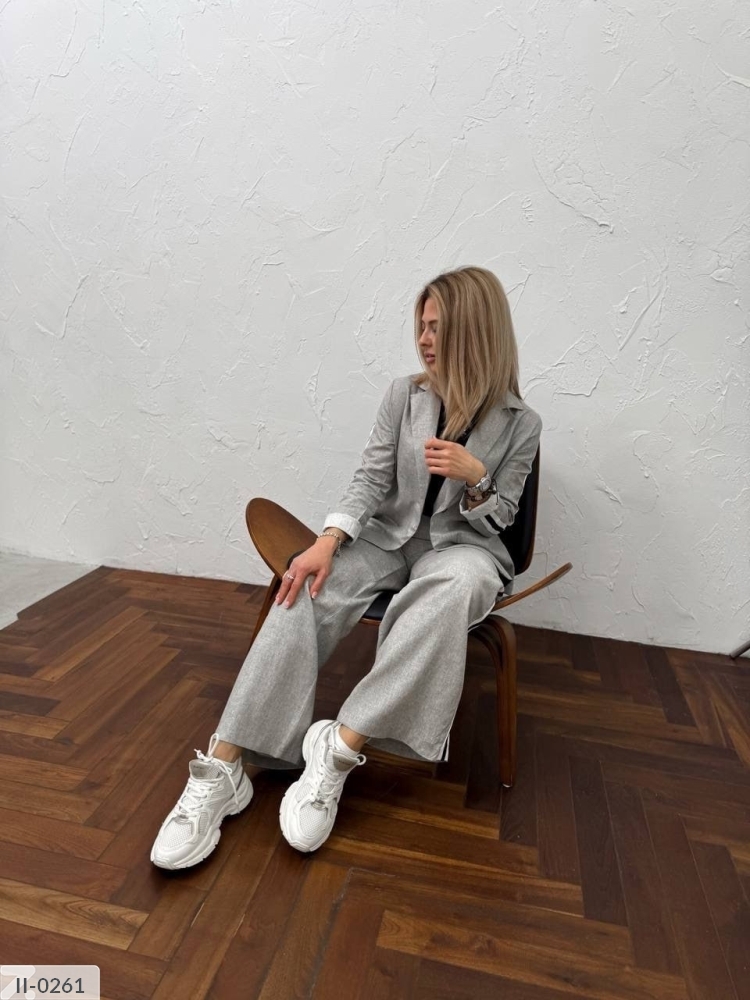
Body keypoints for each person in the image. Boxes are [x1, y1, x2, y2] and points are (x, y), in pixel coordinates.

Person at [150, 265, 542, 869]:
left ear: (476, 330)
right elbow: (371, 478)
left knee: (452, 588)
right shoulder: (404, 396)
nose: (424, 339)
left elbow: (504, 520)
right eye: (421, 326)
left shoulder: (521, 423)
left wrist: (477, 478)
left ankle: (338, 747)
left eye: (438, 327)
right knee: (304, 587)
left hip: (465, 549)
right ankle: (225, 767)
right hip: (389, 539)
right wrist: (328, 541)